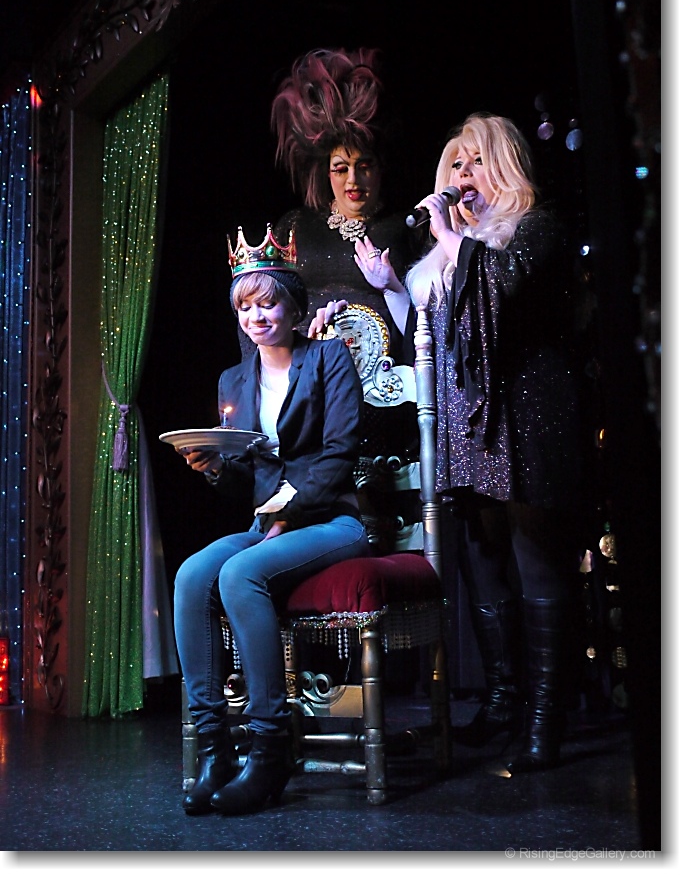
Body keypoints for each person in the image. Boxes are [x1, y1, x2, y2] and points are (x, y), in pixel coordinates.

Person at [318, 112, 586, 774]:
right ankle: (502, 701)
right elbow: (432, 338)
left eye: (475, 162)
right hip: (468, 430)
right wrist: (391, 287)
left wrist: (450, 238)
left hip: (527, 418)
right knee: (485, 564)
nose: (462, 176)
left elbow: (500, 292)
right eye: (455, 165)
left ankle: (545, 719)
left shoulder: (535, 229)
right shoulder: (448, 255)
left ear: (505, 165)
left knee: (536, 564)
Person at [173, 226, 369, 816]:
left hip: (332, 522)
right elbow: (245, 481)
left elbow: (340, 453)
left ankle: (269, 748)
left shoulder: (328, 358)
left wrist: (291, 508)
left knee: (240, 574)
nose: (256, 317)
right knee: (191, 576)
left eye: (268, 303)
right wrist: (213, 467)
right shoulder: (234, 380)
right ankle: (215, 748)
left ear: (293, 307)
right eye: (245, 307)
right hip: (268, 528)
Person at [270, 47, 423, 554]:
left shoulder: (404, 229)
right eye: (341, 168)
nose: (353, 180)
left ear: (380, 169)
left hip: (391, 401)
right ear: (325, 172)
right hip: (315, 397)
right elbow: (264, 309)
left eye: (364, 166)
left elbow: (425, 316)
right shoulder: (297, 227)